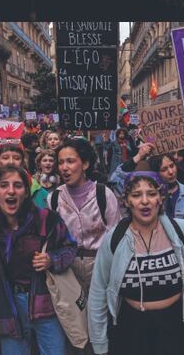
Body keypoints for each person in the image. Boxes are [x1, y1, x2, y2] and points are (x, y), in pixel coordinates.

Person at [87, 172, 184, 354]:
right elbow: (98, 292)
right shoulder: (115, 238)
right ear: (127, 201)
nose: (145, 201)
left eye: (152, 194)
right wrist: (99, 345)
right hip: (132, 332)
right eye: (136, 195)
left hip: (178, 329)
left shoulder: (179, 229)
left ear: (161, 198)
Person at [0, 165, 77, 355]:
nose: (11, 191)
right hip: (6, 306)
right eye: (3, 185)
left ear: (27, 192)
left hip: (46, 304)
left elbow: (69, 248)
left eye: (18, 185)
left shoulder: (46, 219)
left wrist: (51, 259)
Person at [51, 137, 120, 326]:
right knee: (74, 321)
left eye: (71, 161)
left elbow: (116, 237)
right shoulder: (54, 198)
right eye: (61, 162)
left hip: (99, 265)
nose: (64, 167)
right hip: (68, 268)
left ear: (86, 164)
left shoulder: (103, 194)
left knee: (101, 319)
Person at [0, 143, 49, 234]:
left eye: (16, 158)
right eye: (5, 157)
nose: (11, 162)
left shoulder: (41, 195)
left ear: (23, 162)